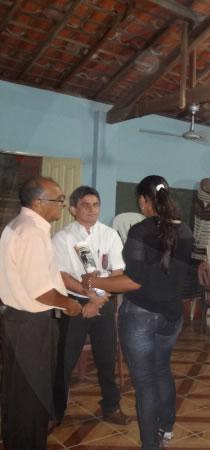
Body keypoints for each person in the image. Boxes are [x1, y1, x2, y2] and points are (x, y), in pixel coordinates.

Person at [81, 175, 193, 450]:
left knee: (144, 382)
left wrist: (93, 281)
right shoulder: (186, 230)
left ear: (145, 200)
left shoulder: (141, 231)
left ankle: (149, 444)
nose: (140, 206)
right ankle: (166, 428)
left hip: (142, 316)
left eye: (140, 201)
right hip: (172, 317)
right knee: (162, 370)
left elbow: (133, 281)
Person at [0, 176, 82, 450]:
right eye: (57, 198)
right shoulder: (32, 233)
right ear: (38, 202)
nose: (62, 203)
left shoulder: (20, 225)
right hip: (31, 325)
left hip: (19, 321)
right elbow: (40, 291)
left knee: (21, 392)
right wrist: (69, 304)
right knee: (31, 396)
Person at [52, 186, 128, 426]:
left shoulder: (109, 235)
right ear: (74, 209)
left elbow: (117, 272)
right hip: (74, 304)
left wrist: (99, 301)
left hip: (104, 303)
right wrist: (89, 296)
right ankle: (56, 411)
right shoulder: (62, 237)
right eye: (86, 205)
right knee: (64, 361)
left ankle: (111, 406)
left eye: (96, 205)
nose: (92, 209)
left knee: (106, 359)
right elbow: (62, 275)